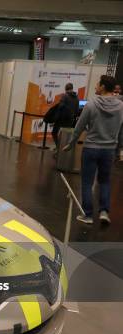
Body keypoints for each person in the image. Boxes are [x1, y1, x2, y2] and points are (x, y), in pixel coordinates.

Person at [63, 75, 123, 225]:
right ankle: (104, 212)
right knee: (105, 181)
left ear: (102, 87)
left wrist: (71, 143)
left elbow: (79, 127)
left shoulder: (91, 105)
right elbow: (121, 130)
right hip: (109, 150)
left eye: (97, 84)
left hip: (91, 148)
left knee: (87, 182)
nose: (95, 86)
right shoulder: (121, 106)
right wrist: (120, 149)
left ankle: (88, 215)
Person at [52, 83, 80, 150]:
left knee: (54, 133)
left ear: (65, 89)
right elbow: (77, 111)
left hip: (61, 120)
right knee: (65, 136)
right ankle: (62, 149)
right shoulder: (77, 98)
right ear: (72, 88)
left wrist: (55, 118)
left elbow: (60, 108)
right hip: (70, 121)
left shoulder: (64, 96)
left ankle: (58, 148)